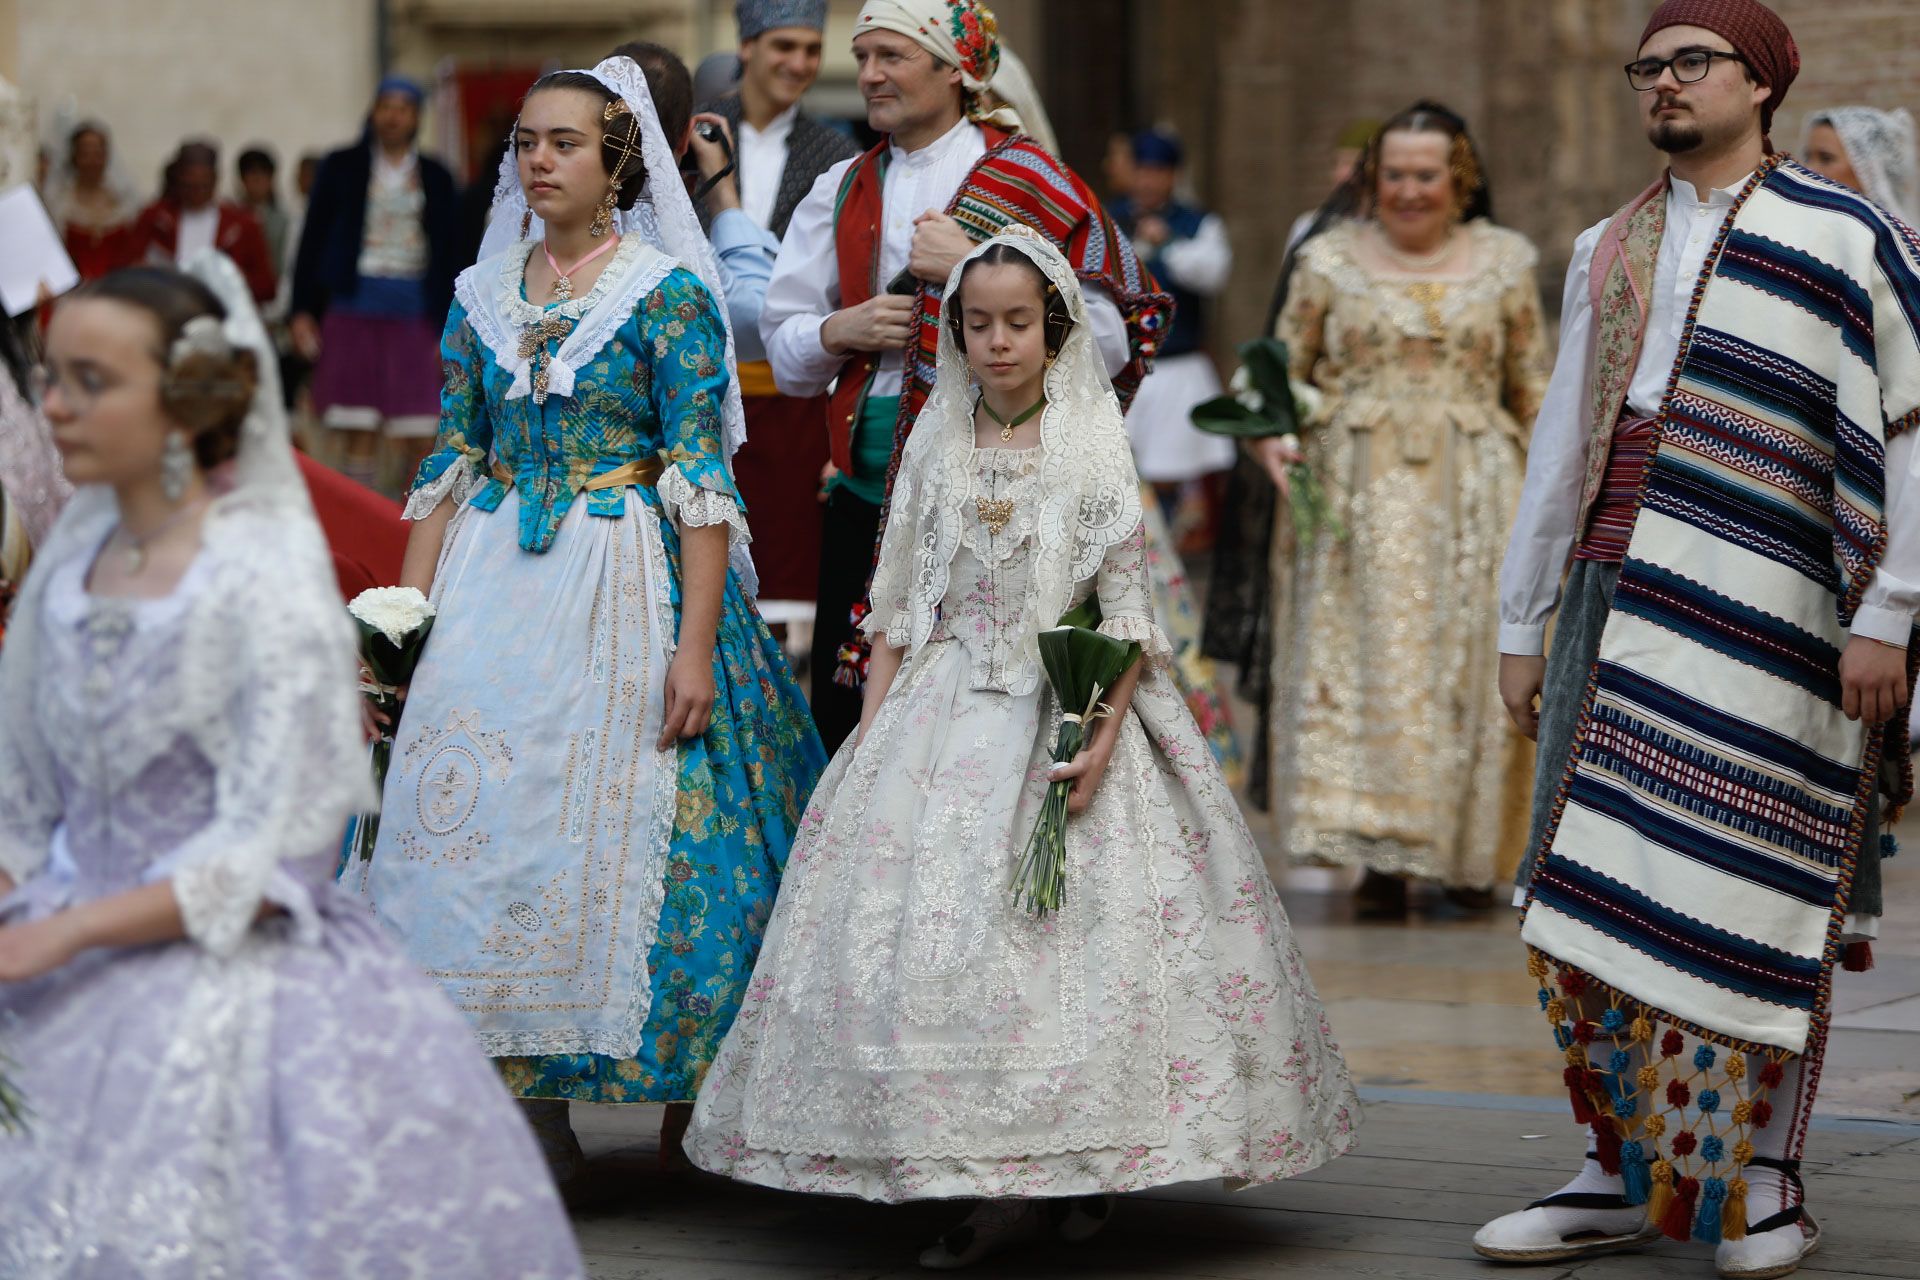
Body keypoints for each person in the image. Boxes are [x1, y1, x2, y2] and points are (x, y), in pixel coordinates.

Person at [684, 231, 1358, 1268]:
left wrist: (1094, 735)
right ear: (954, 330)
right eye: (977, 322)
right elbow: (898, 608)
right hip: (942, 706)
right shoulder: (933, 443)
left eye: (1017, 322)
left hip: (1068, 703)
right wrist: (870, 745)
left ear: (1052, 329)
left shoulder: (1091, 441)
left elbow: (1128, 614)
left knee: (1074, 944)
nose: (997, 342)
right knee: (935, 937)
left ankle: (1073, 1164)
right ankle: (986, 1172)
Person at [0, 253, 583, 1275]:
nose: (54, 406)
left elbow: (280, 849)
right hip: (50, 946)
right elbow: (23, 791)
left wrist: (74, 930)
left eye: (93, 382)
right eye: (51, 376)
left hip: (229, 973)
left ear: (193, 399)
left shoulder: (258, 584)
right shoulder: (67, 574)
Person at [1479, 4, 1920, 1275]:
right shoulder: (1605, 245)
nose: (1664, 85)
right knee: (1587, 891)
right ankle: (1616, 1169)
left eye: (1693, 64)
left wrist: (1889, 611)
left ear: (1762, 82)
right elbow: (1568, 437)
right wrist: (1522, 621)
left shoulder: (1850, 237)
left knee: (1762, 892)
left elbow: (1912, 425)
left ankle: (1766, 1175)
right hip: (1612, 593)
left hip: (1779, 606)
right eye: (1648, 68)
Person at [357, 57, 827, 1194]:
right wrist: (403, 631)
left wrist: (698, 646)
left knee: (677, 836)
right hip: (492, 593)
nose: (538, 161)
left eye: (562, 141)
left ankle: (690, 1105)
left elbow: (701, 474)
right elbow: (452, 461)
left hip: (632, 574)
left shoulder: (664, 294)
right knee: (486, 830)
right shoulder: (482, 296)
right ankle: (531, 1108)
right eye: (524, 143)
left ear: (617, 158)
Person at [760, 0, 1170, 753]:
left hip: (1003, 503)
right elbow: (784, 355)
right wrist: (836, 330)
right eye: (864, 58)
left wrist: (975, 273)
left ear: (955, 70)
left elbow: (1115, 334)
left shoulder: (1030, 178)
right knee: (854, 722)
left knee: (992, 724)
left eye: (892, 57)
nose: (871, 76)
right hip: (866, 499)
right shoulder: (841, 187)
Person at [1251, 102, 1546, 916]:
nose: (1409, 191)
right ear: (1371, 181)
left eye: (1427, 175)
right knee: (1370, 667)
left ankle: (1469, 850)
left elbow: (1535, 386)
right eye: (1394, 175)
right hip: (1353, 501)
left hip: (1478, 499)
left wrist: (1558, 499)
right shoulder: (1328, 261)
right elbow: (1274, 376)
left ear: (1460, 180)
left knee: (1466, 667)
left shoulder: (1505, 261)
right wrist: (1273, 440)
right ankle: (1376, 852)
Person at [699, 1, 862, 629]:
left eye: (811, 50)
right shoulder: (695, 134)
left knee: (793, 578)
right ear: (747, 47)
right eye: (783, 47)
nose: (799, 63)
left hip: (795, 395)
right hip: (701, 388)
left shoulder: (836, 150)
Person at [290, 77, 460, 496]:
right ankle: (361, 517)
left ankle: (406, 522)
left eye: (403, 107)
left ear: (417, 118)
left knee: (418, 427)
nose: (393, 115)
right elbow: (312, 241)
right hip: (353, 302)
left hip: (415, 306)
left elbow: (455, 252)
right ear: (373, 112)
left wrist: (455, 319)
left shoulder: (436, 176)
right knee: (357, 423)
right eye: (386, 105)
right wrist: (302, 310)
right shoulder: (341, 167)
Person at [1112, 129, 1235, 511]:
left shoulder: (1198, 223)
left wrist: (1167, 244)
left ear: (1174, 175)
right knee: (1120, 477)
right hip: (1120, 367)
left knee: (1168, 481)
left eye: (1158, 171)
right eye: (1142, 170)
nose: (1149, 180)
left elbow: (1213, 274)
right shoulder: (1109, 218)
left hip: (1176, 368)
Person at [129, 141, 276, 303]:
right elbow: (127, 266)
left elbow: (266, 286)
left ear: (215, 179)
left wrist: (236, 279)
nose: (197, 193)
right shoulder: (156, 218)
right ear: (178, 180)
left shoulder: (241, 225)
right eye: (190, 186)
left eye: (203, 186)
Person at [43, 122, 137, 284]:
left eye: (98, 153)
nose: (92, 161)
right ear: (74, 158)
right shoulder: (59, 203)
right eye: (85, 154)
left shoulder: (123, 203)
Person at [1800, 105, 1918, 222]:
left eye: (1826, 159)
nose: (1808, 169)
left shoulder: (1896, 239)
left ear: (1868, 169)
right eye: (1807, 157)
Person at [236, 146, 291, 284]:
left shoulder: (284, 220)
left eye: (263, 174)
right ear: (243, 179)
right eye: (252, 174)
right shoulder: (232, 219)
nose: (258, 181)